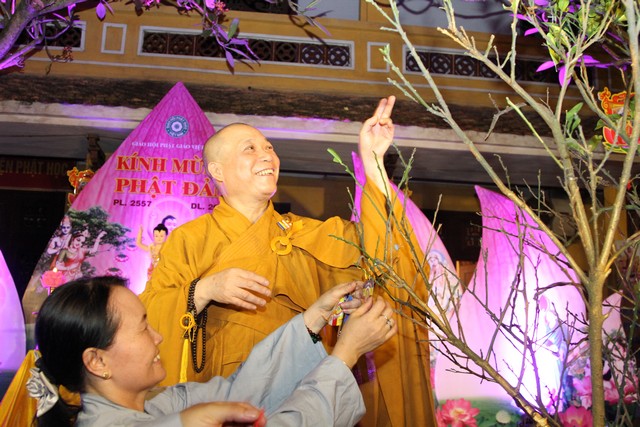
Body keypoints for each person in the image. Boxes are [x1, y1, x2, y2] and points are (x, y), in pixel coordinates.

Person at [140, 96, 436, 426]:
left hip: (303, 390)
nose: (267, 154)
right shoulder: (190, 238)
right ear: (217, 170)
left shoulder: (303, 233)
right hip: (226, 395)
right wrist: (205, 289)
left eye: (269, 147)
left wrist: (373, 161)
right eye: (250, 148)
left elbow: (382, 255)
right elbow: (148, 316)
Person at [28, 276, 396, 426]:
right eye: (142, 327)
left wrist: (314, 317)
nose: (158, 337)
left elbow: (240, 390)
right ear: (97, 361)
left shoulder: (154, 403)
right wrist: (345, 354)